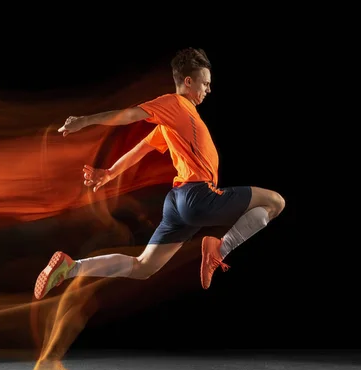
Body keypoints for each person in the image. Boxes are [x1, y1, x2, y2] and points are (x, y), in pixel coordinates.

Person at [33, 47, 285, 300]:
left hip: (177, 203)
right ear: (188, 81)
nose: (208, 90)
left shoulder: (174, 121)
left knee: (143, 267)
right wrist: (85, 121)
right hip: (196, 196)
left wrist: (109, 172)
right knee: (275, 202)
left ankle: (71, 267)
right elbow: (130, 115)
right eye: (205, 83)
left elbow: (141, 149)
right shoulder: (174, 104)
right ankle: (219, 249)